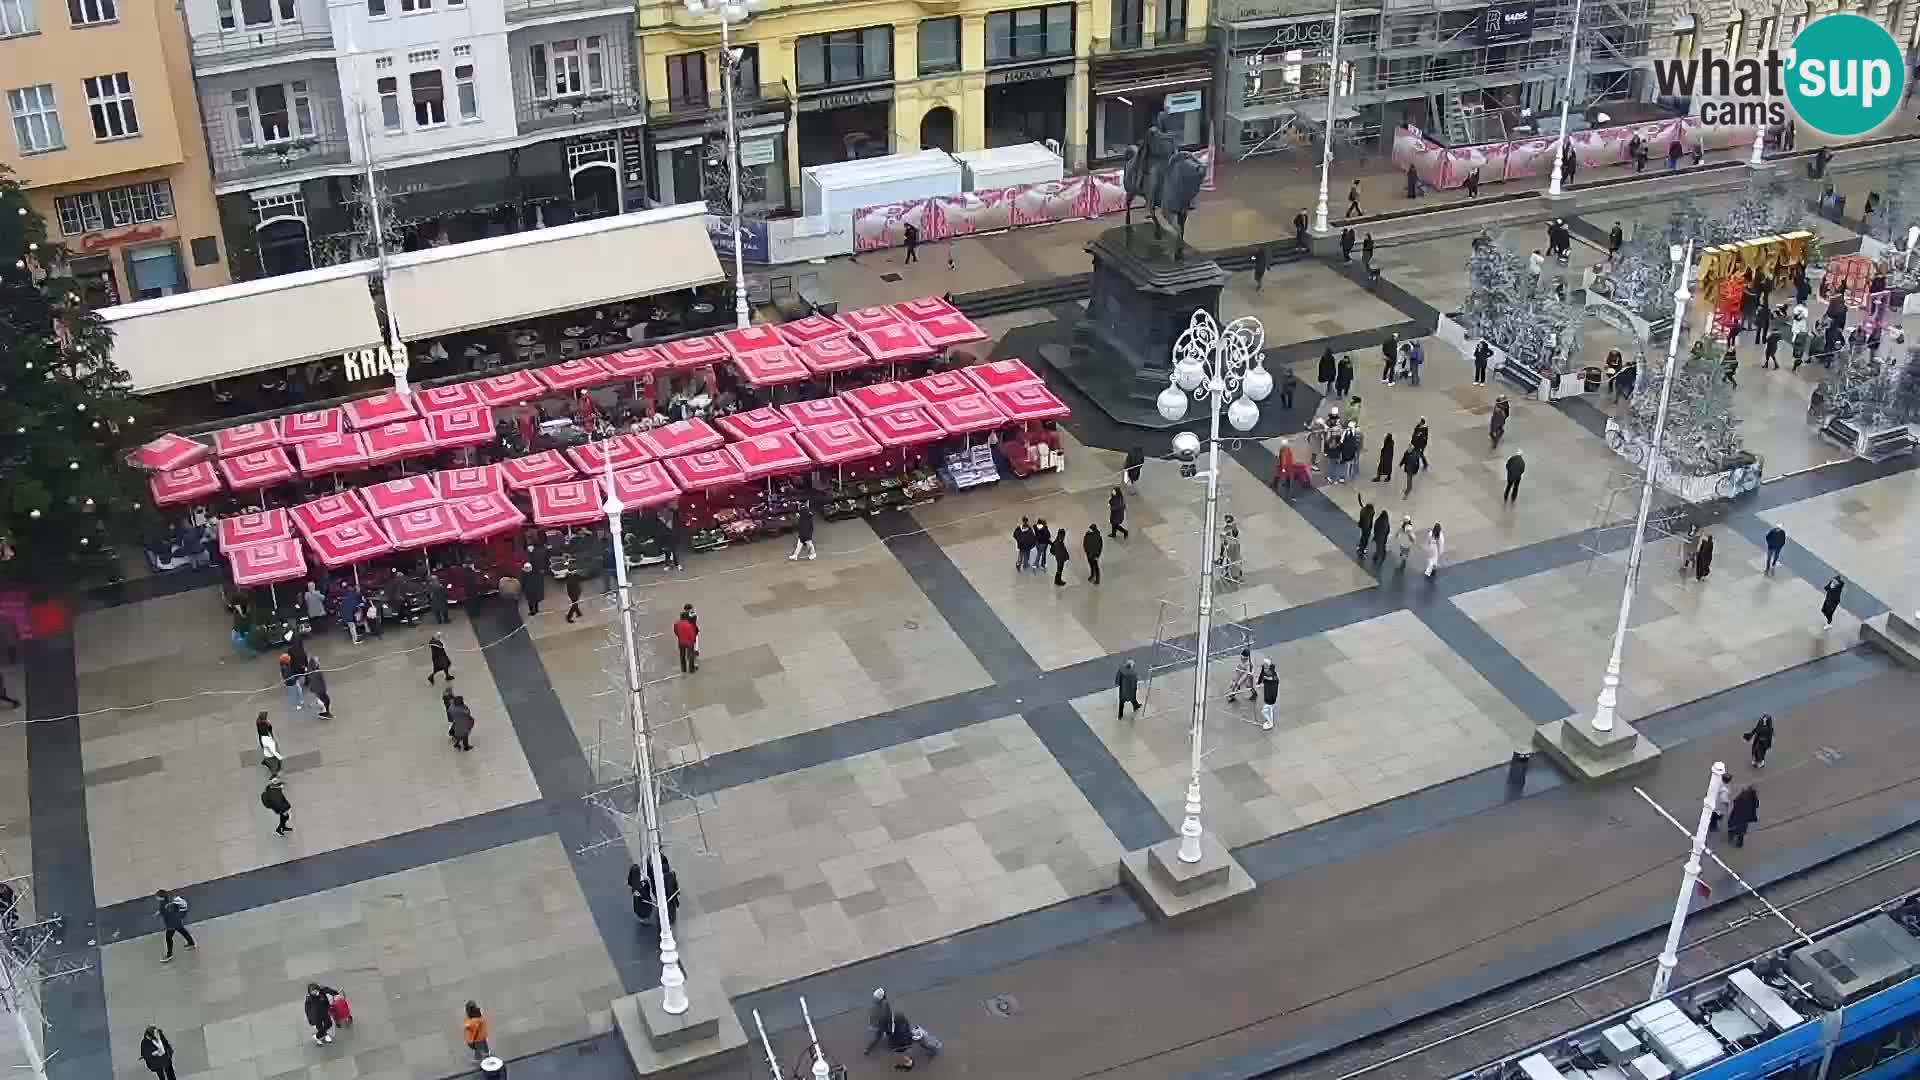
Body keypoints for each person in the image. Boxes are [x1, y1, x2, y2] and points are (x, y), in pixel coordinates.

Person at [155, 888, 195, 962]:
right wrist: (160, 911)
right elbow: (174, 909)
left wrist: (160, 913)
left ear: (161, 897)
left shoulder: (163, 904)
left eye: (157, 896)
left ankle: (169, 955)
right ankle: (191, 943)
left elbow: (165, 913)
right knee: (182, 931)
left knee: (168, 938)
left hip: (171, 924)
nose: (156, 897)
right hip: (177, 921)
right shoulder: (171, 901)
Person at [1256, 658, 1279, 731]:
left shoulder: (1274, 677)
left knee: (1264, 711)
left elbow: (1274, 688)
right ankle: (1270, 722)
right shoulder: (1264, 670)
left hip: (1271, 698)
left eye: (1266, 666)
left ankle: (1270, 723)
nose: (1265, 668)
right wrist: (1258, 682)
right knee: (1270, 709)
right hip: (1269, 696)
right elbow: (1261, 675)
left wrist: (1270, 700)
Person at [673, 608, 699, 672]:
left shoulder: (677, 623)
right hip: (689, 642)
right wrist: (693, 641)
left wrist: (679, 637)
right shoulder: (690, 624)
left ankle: (683, 669)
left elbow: (676, 631)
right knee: (690, 655)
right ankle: (691, 669)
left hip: (681, 641)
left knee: (682, 655)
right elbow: (693, 634)